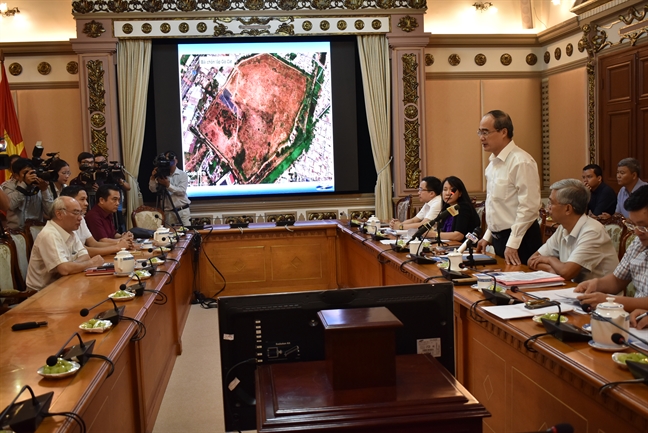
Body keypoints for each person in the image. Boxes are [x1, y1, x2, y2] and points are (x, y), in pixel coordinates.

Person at [475, 110, 542, 265]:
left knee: (518, 286)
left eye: (486, 132)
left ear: (503, 132)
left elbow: (529, 207)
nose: (481, 137)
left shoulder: (521, 161)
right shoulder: (492, 165)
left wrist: (513, 243)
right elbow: (496, 207)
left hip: (521, 240)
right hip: (500, 239)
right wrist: (487, 236)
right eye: (479, 132)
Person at [527, 179, 618, 282]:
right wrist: (552, 269)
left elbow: (567, 273)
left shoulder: (592, 231)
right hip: (572, 290)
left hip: (601, 295)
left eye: (551, 203)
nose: (548, 208)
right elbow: (532, 260)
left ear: (568, 209)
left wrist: (550, 260)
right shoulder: (563, 228)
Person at [575, 185, 648, 311]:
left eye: (643, 226)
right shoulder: (639, 243)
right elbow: (617, 280)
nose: (637, 232)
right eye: (633, 225)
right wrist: (597, 284)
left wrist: (610, 301)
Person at [25, 196, 105, 291]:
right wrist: (91, 263)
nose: (80, 218)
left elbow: (85, 256)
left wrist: (71, 265)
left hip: (64, 284)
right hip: (41, 293)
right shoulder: (49, 234)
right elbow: (64, 269)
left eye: (81, 213)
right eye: (76, 213)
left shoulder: (71, 231)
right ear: (59, 214)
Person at [60, 185, 133, 256]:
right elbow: (84, 250)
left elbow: (93, 243)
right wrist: (118, 246)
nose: (86, 203)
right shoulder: (91, 216)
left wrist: (122, 241)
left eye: (86, 199)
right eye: (82, 199)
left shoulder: (81, 218)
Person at [2, 158, 54, 230]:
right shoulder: (8, 185)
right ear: (16, 175)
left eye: (32, 172)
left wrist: (44, 190)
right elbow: (10, 205)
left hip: (36, 231)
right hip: (16, 232)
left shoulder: (40, 185)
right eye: (26, 172)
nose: (30, 176)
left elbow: (50, 213)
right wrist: (24, 185)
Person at [424, 176, 481, 242]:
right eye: (445, 190)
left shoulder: (464, 207)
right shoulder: (448, 208)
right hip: (451, 246)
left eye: (452, 190)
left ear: (460, 193)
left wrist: (432, 234)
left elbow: (458, 235)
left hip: (465, 248)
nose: (448, 193)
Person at [149, 151, 191, 227]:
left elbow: (181, 191)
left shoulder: (182, 175)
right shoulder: (161, 174)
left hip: (182, 211)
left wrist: (168, 186)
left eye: (171, 159)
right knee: (171, 235)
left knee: (187, 234)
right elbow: (153, 189)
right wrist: (152, 178)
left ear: (176, 161)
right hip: (168, 213)